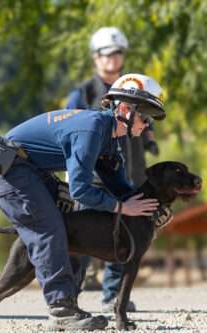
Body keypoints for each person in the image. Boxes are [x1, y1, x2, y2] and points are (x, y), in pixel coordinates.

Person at [0, 73, 166, 331]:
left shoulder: (110, 137)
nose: (147, 125)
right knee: (49, 229)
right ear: (125, 110)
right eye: (145, 117)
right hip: (11, 170)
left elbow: (120, 187)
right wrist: (121, 207)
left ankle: (68, 303)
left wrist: (150, 210)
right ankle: (61, 310)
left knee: (66, 226)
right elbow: (81, 189)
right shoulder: (92, 128)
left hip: (32, 170)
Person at [66, 27, 160, 312]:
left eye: (117, 53)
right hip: (91, 179)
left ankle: (113, 297)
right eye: (106, 54)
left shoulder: (134, 88)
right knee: (79, 240)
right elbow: (68, 127)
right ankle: (68, 300)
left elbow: (148, 122)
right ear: (95, 57)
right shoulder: (83, 93)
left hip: (129, 172)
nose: (112, 59)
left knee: (125, 237)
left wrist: (150, 142)